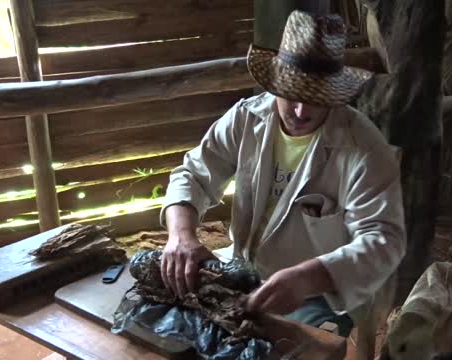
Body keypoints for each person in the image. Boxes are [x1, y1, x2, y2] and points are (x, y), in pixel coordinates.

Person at [159, 10, 406, 337]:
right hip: (242, 269)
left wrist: (309, 276)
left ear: (333, 93)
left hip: (319, 292)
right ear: (275, 82)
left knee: (287, 349)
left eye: (314, 98)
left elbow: (384, 240)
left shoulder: (363, 147)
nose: (301, 111)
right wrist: (181, 235)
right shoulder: (247, 118)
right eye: (292, 94)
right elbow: (192, 174)